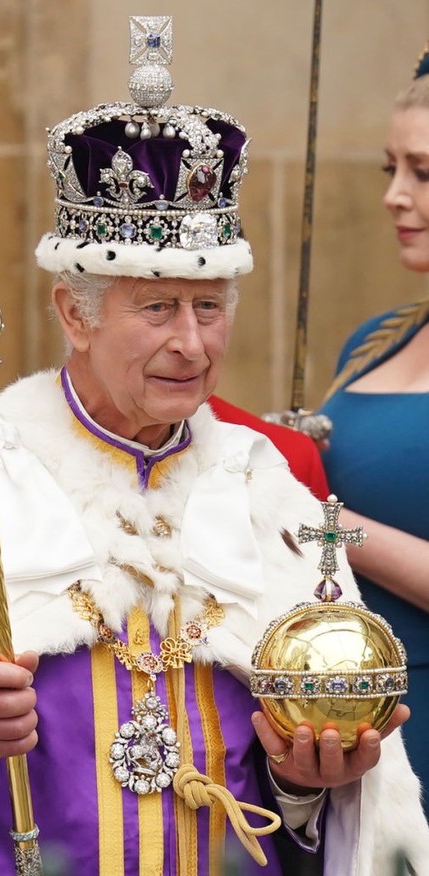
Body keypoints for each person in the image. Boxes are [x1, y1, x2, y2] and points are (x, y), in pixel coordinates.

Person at [0, 16, 427, 876]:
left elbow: (311, 808)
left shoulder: (264, 490)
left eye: (210, 308)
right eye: (157, 308)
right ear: (73, 314)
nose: (192, 344)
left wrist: (307, 778)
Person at [319, 46, 429, 818]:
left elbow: (321, 515)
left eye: (423, 173)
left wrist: (328, 523)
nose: (394, 196)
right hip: (342, 735)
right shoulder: (373, 338)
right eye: (389, 168)